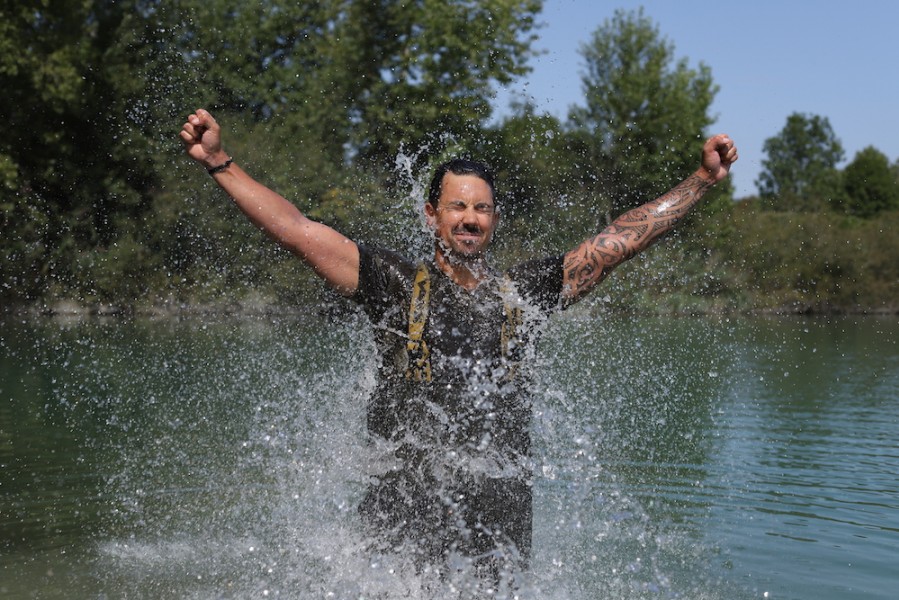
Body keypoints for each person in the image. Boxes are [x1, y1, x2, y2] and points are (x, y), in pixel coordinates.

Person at [180, 109, 738, 586]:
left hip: (500, 502)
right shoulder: (392, 282)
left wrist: (702, 181)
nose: (470, 219)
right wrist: (218, 163)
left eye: (483, 209)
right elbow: (299, 230)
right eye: (457, 207)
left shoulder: (527, 292)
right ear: (432, 215)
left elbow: (620, 240)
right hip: (404, 495)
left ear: (494, 218)